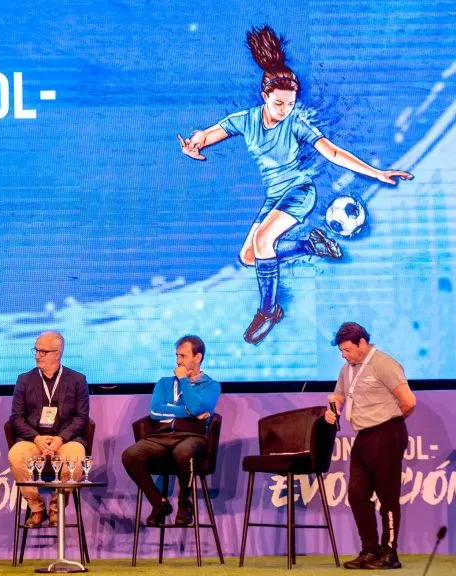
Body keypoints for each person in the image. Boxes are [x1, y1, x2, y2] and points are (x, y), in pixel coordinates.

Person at [177, 25, 412, 345]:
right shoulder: (245, 120)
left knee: (262, 241)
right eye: (279, 104)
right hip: (274, 196)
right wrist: (194, 145)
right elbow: (206, 134)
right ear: (265, 98)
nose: (285, 110)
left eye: (290, 104)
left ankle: (268, 310)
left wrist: (377, 173)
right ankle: (307, 246)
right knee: (249, 256)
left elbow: (332, 152)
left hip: (299, 193)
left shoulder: (297, 124)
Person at [324, 322, 416, 570]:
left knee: (388, 497)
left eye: (347, 349)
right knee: (356, 495)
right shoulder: (348, 369)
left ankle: (389, 553)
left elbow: (409, 401)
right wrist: (333, 411)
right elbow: (340, 396)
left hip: (387, 433)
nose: (344, 354)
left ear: (361, 343)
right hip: (363, 436)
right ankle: (369, 550)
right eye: (341, 351)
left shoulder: (384, 364)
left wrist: (391, 422)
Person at [121, 335, 220, 526]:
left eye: (183, 356)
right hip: (161, 436)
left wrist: (183, 381)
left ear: (197, 357)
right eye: (177, 356)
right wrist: (187, 412)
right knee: (130, 455)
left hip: (193, 437)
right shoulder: (164, 383)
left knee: (184, 452)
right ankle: (159, 503)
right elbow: (155, 411)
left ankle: (185, 504)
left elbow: (198, 407)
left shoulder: (211, 386)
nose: (178, 361)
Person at [7, 331, 90, 527]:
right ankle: (37, 508)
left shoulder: (77, 380)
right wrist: (36, 438)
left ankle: (56, 508)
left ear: (57, 354)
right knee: (16, 455)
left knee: (76, 457)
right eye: (36, 350)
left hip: (65, 440)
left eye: (43, 352)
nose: (37, 355)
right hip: (33, 440)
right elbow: (16, 418)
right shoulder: (24, 380)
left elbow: (82, 417)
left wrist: (61, 438)